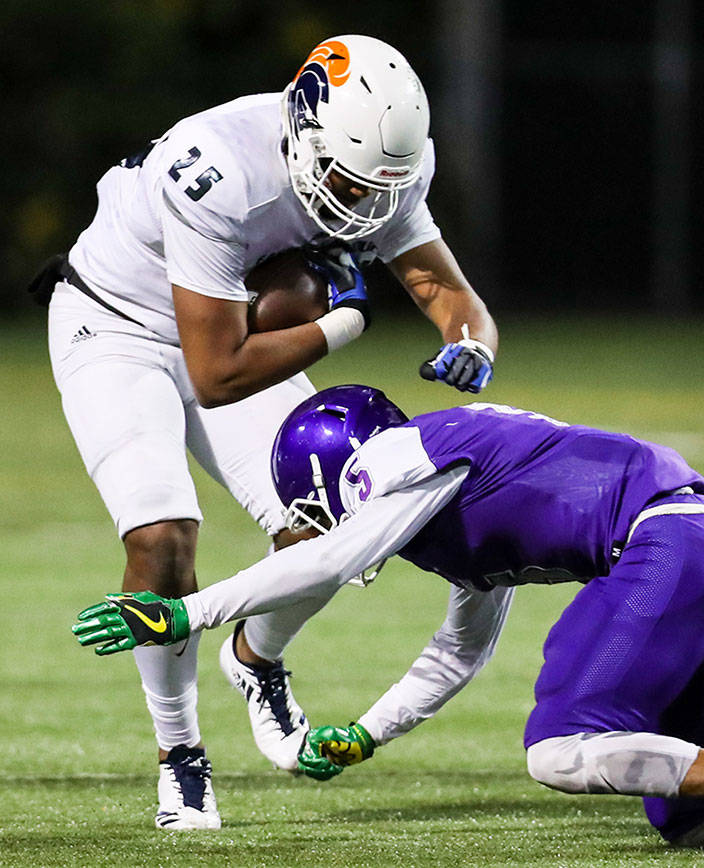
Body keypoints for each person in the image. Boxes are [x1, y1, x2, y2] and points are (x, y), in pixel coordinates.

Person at [73, 386, 704, 857]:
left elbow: (337, 556)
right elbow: (457, 651)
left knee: (560, 748)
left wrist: (187, 609)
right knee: (689, 820)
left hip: (670, 544)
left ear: (337, 469)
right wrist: (365, 736)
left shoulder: (402, 457)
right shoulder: (448, 509)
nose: (310, 521)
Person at [36, 35, 498, 830]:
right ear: (306, 128)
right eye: (347, 182)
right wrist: (347, 321)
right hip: (116, 323)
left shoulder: (389, 164)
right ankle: (180, 754)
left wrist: (472, 345)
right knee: (162, 536)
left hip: (228, 330)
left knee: (337, 514)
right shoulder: (219, 168)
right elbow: (217, 373)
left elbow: (443, 287)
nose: (359, 206)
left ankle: (255, 658)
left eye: (375, 190)